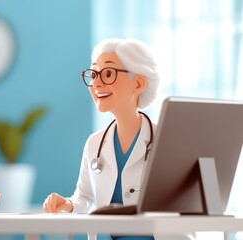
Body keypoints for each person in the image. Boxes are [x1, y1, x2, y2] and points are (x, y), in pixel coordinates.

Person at [43, 38, 192, 240]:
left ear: (138, 83)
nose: (96, 83)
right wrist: (67, 204)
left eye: (108, 74)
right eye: (94, 74)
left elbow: (182, 206)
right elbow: (85, 197)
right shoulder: (94, 144)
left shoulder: (166, 141)